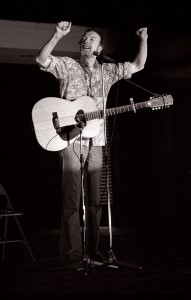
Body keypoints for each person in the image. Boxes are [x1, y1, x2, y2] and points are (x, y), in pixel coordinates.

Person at [36, 21, 148, 270]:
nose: (86, 41)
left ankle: (95, 251)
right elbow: (42, 59)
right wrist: (57, 35)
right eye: (84, 39)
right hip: (69, 138)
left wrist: (144, 39)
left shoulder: (106, 72)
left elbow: (139, 65)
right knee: (72, 199)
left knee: (95, 201)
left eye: (92, 39)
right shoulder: (68, 65)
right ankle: (72, 256)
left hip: (96, 140)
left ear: (100, 48)